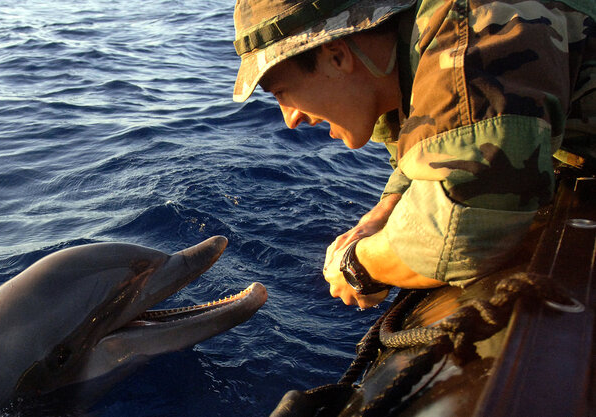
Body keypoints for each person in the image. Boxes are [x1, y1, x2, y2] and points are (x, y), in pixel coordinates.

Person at [231, 0, 596, 308]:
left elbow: (467, 235)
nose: (290, 119)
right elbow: (435, 146)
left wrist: (358, 265)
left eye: (281, 93)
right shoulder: (405, 65)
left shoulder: (467, 38)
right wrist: (384, 210)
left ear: (336, 56)